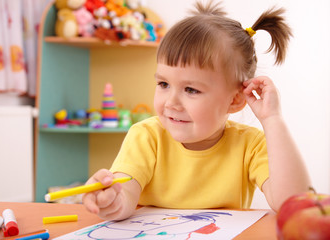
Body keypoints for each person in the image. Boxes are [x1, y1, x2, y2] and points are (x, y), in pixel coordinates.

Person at [83, 1, 311, 221]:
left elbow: (294, 202)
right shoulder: (146, 137)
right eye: (163, 84)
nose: (171, 102)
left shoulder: (250, 145)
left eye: (190, 89)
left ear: (235, 100)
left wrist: (272, 120)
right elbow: (126, 195)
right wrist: (112, 201)